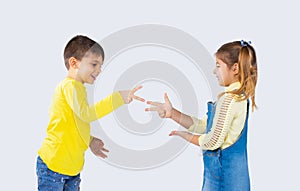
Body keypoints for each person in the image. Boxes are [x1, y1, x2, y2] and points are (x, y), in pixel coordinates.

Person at [36, 35, 145, 191]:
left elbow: (75, 124)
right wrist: (117, 98)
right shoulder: (70, 86)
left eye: (100, 66)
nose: (99, 70)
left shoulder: (78, 88)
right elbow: (86, 114)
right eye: (94, 64)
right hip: (53, 166)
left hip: (72, 169)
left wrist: (90, 140)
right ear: (74, 63)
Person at [146, 40, 258, 191]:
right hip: (233, 177)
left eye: (218, 65)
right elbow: (204, 126)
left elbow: (213, 141)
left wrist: (186, 136)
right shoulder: (238, 97)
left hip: (224, 179)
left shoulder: (229, 99)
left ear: (235, 68)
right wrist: (173, 114)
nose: (214, 71)